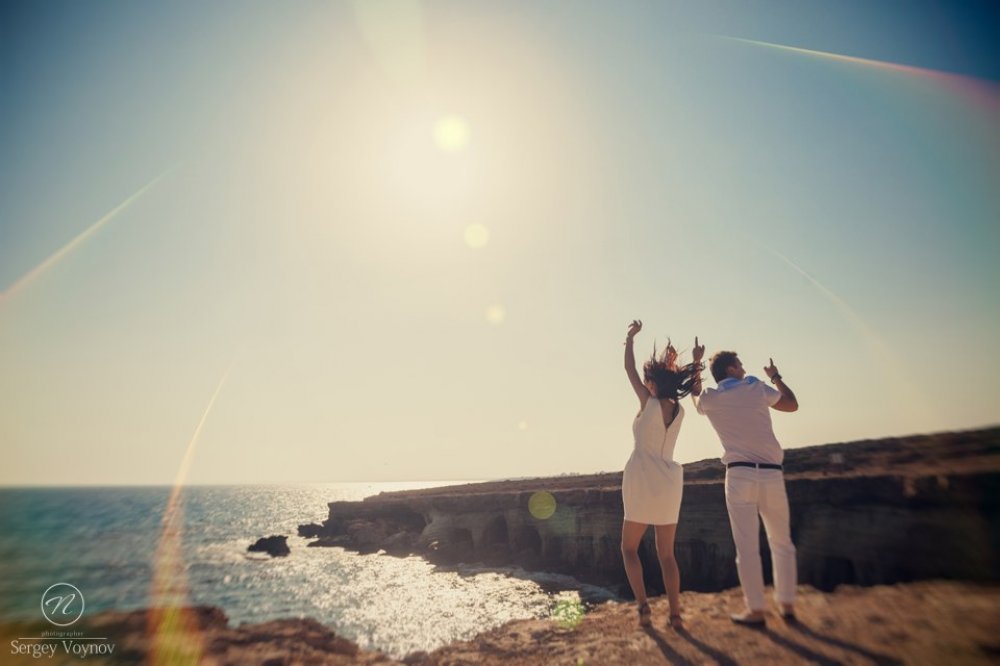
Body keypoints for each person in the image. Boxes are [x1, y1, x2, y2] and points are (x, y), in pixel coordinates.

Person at [691, 348, 799, 625]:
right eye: (739, 364)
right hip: (772, 475)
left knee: (747, 547)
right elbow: (791, 404)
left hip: (739, 477)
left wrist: (695, 363)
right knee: (782, 542)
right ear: (730, 369)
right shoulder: (755, 387)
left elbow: (694, 397)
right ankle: (786, 604)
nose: (743, 367)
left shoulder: (711, 399)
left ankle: (757, 610)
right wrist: (775, 377)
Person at [621, 320, 702, 629]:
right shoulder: (679, 409)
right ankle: (676, 615)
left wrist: (629, 339)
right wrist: (694, 363)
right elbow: (693, 387)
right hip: (669, 482)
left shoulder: (649, 402)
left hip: (641, 478)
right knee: (667, 555)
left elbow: (628, 370)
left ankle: (643, 608)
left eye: (646, 380)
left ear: (652, 383)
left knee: (629, 548)